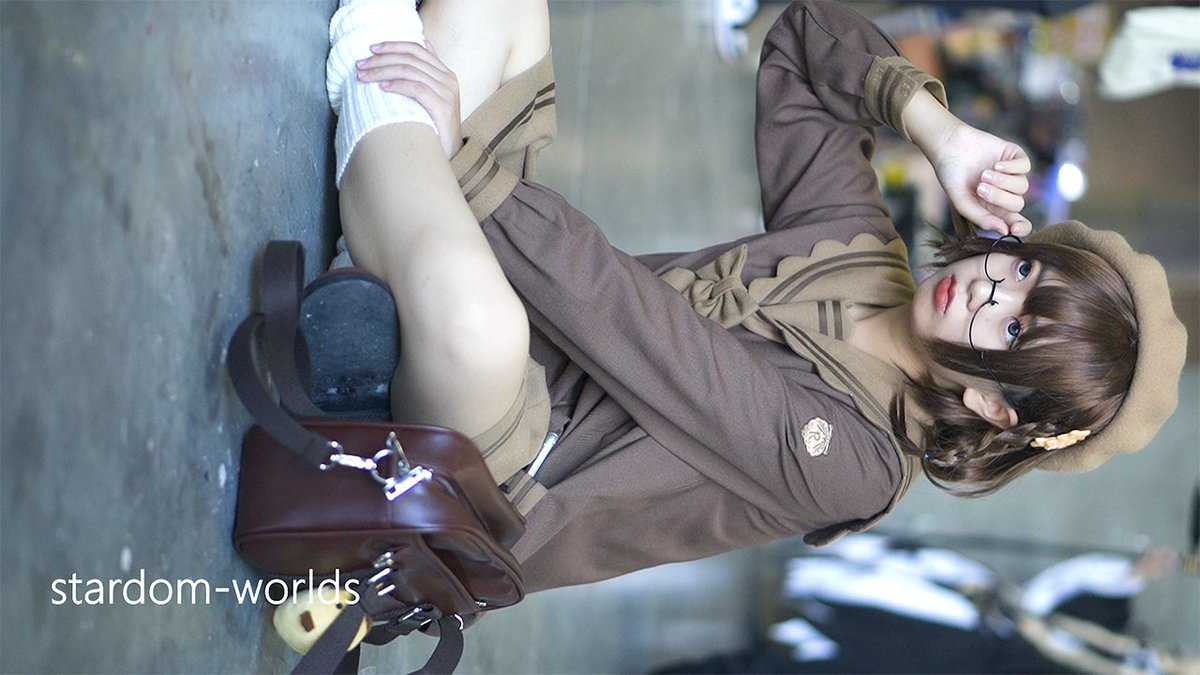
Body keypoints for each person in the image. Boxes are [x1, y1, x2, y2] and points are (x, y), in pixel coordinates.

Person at [309, 0, 1188, 592]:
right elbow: (802, 43)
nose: (990, 286)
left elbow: (639, 328)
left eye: (1014, 329)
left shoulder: (858, 463)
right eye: (1026, 271)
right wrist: (940, 131)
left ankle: (393, 184)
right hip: (526, 303)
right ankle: (395, 205)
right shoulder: (860, 253)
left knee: (479, 325)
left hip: (497, 471)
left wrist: (469, 161)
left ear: (996, 406)